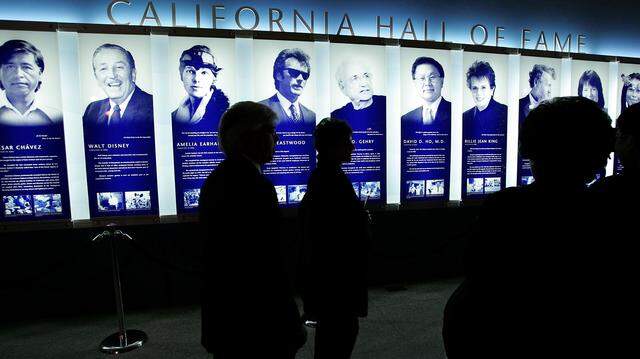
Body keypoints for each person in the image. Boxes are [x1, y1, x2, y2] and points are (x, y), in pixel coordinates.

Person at [443, 97, 615, 358]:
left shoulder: (505, 206)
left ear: (532, 150)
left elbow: (478, 270)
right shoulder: (603, 214)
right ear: (596, 154)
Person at [198, 101, 306, 358]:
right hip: (259, 327)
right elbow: (268, 264)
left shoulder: (216, 179)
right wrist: (289, 322)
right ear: (248, 136)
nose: (276, 138)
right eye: (270, 131)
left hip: (227, 321)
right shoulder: (256, 187)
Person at [298, 118, 371, 359]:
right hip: (336, 280)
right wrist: (360, 219)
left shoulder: (325, 177)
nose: (353, 147)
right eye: (348, 142)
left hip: (332, 281)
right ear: (332, 146)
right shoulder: (330, 181)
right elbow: (332, 234)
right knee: (337, 339)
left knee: (335, 338)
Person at [82, 43, 153, 128]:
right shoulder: (92, 110)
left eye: (119, 67)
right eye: (103, 68)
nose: (112, 75)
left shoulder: (154, 107)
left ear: (133, 74)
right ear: (96, 78)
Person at [0, 39, 62, 126]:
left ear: (39, 73)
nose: (18, 74)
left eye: (26, 67)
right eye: (10, 67)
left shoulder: (58, 118)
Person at [172, 45, 229, 129]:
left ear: (214, 78)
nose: (196, 79)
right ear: (181, 75)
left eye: (204, 73)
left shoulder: (225, 115)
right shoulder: (175, 116)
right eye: (190, 71)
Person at [259, 48, 316, 127]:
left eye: (305, 75)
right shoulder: (259, 110)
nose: (300, 79)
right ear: (278, 75)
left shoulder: (311, 116)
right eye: (294, 72)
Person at [331, 60, 386, 129]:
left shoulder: (388, 104)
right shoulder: (335, 118)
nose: (364, 83)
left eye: (366, 76)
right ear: (342, 87)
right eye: (355, 78)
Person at [401, 56, 451, 128]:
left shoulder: (456, 112)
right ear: (415, 83)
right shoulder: (406, 119)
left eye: (432, 77)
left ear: (442, 81)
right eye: (422, 78)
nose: (427, 83)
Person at [462, 60, 507, 131]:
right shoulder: (465, 117)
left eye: (483, 87)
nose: (479, 93)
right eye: (475, 88)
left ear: (492, 89)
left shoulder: (506, 113)